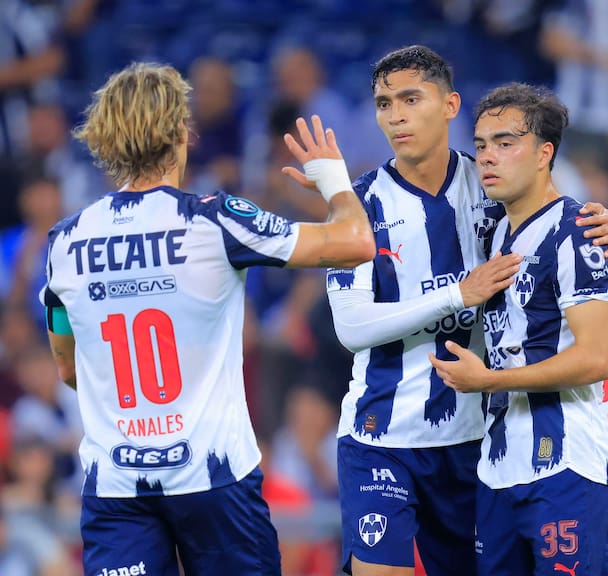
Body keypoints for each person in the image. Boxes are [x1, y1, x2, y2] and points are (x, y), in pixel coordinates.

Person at [284, 45, 608, 576]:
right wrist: (456, 295)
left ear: (449, 106)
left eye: (410, 99)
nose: (395, 115)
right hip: (383, 434)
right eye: (383, 103)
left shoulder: (493, 190)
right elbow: (351, 327)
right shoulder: (361, 206)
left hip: (475, 441)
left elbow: (557, 219)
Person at [40, 62, 375, 576]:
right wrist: (333, 180)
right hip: (214, 481)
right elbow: (356, 242)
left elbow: (68, 369)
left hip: (117, 488)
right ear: (180, 133)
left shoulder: (64, 242)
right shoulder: (214, 219)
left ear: (103, 137)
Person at [429, 82, 608, 576]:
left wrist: (488, 381)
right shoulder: (492, 232)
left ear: (544, 153)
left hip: (567, 468)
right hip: (497, 469)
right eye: (481, 144)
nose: (488, 156)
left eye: (506, 142)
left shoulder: (578, 231)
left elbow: (594, 359)